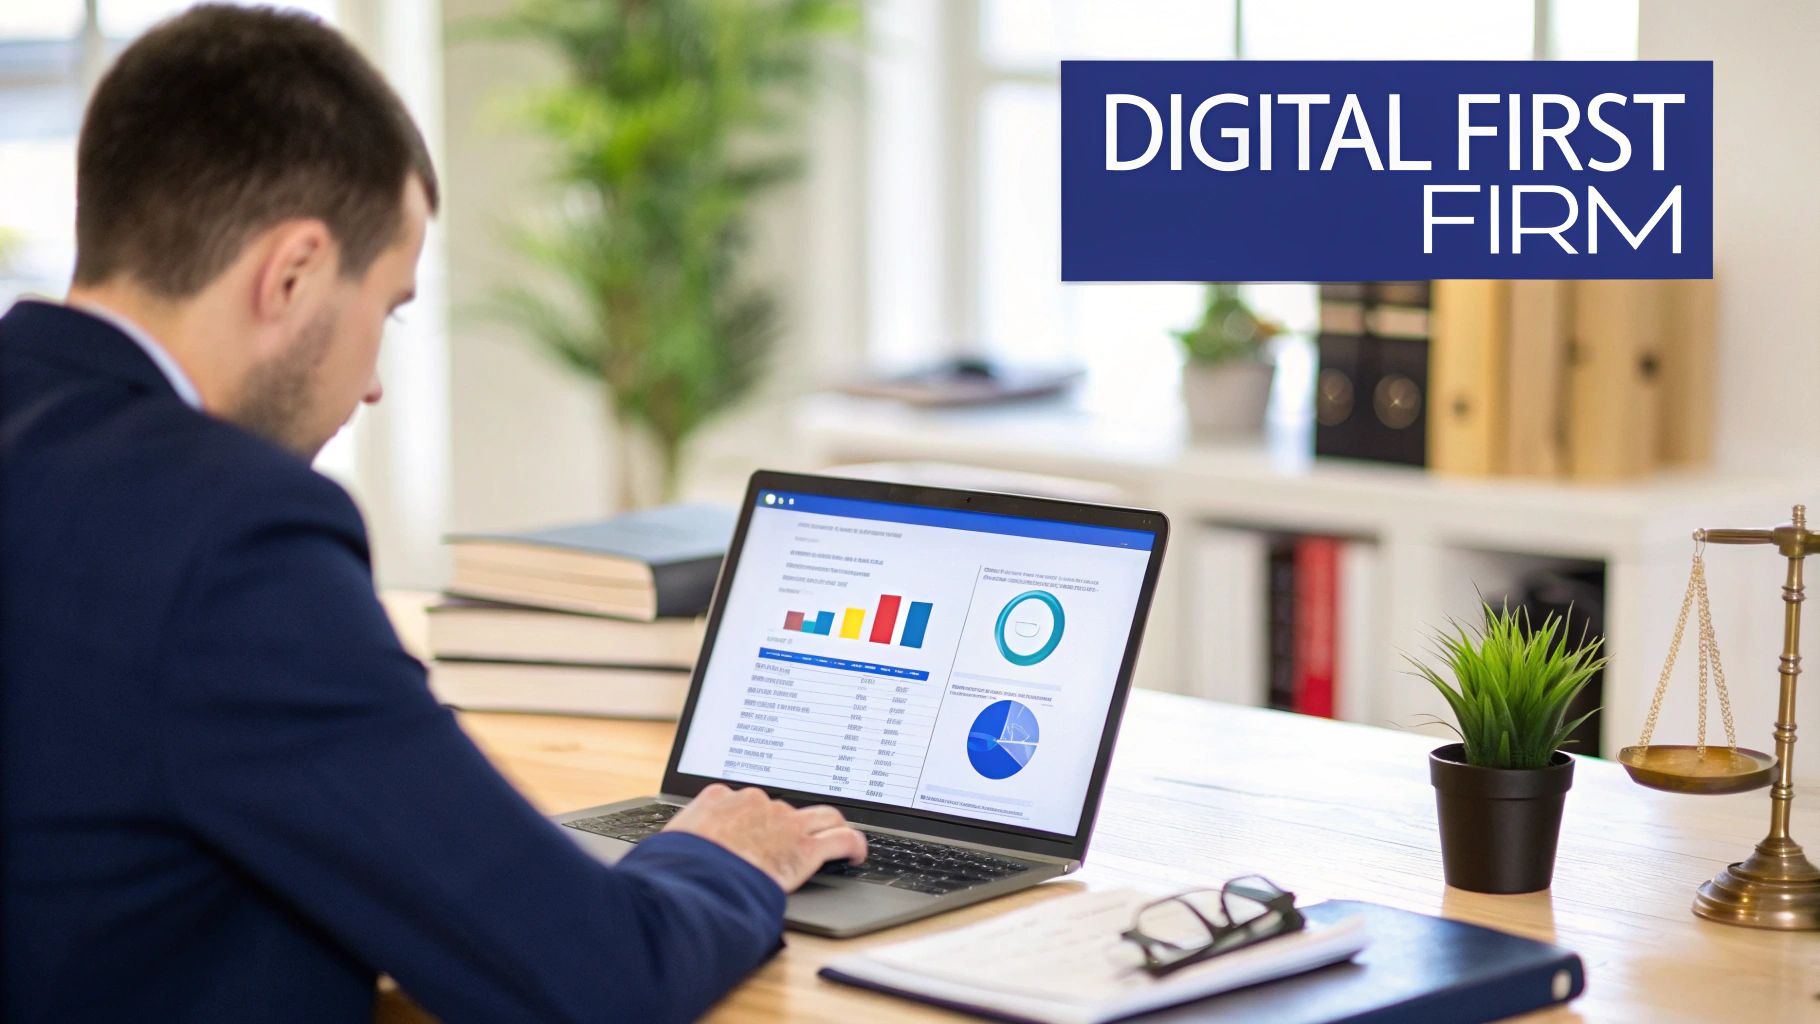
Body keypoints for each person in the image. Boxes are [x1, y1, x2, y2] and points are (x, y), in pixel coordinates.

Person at [0, 6, 865, 1022]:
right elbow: (594, 979)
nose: (372, 385)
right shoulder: (234, 535)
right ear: (293, 273)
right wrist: (726, 858)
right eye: (388, 310)